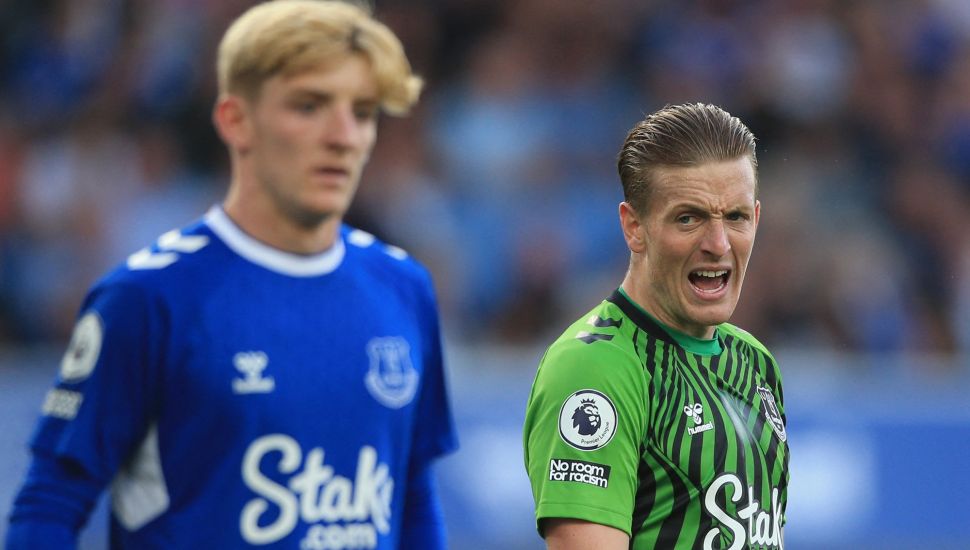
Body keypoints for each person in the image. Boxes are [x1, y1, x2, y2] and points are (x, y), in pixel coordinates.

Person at [6, 1, 457, 548]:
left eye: (362, 111)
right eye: (309, 105)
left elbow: (411, 494)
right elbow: (51, 502)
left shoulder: (403, 288)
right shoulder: (149, 298)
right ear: (235, 120)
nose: (343, 135)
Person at [523, 103, 789, 549]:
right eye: (689, 218)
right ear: (634, 227)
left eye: (736, 217)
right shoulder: (596, 368)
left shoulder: (755, 363)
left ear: (756, 219)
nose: (718, 244)